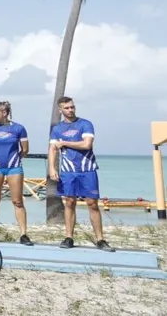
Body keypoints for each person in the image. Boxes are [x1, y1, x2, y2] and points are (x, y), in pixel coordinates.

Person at [49, 96, 113, 251]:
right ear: (60, 110)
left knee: (92, 204)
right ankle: (69, 237)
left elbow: (86, 144)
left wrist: (64, 143)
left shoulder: (85, 124)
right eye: (67, 108)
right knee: (69, 202)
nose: (70, 110)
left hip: (87, 170)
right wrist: (52, 167)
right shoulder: (57, 129)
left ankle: (100, 240)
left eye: (72, 107)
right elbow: (52, 149)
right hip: (68, 171)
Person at [0, 100, 31, 246]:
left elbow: (25, 149)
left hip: (14, 168)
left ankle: (23, 234)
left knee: (17, 201)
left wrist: (14, 159)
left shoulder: (18, 128)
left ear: (4, 113)